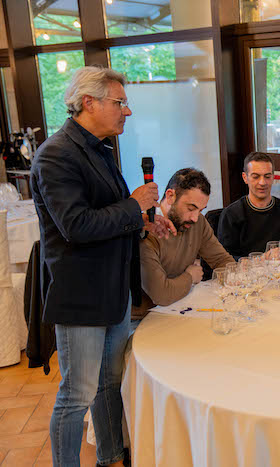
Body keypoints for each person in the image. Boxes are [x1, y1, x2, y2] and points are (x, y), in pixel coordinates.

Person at [30, 66, 175, 466]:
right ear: (88, 103)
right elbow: (76, 226)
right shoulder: (56, 155)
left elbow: (105, 213)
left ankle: (110, 457)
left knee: (109, 384)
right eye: (120, 102)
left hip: (113, 289)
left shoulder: (100, 149)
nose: (127, 111)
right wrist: (133, 205)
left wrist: (143, 221)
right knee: (76, 395)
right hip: (81, 295)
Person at [138, 168, 234, 313]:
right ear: (170, 196)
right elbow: (161, 295)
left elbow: (222, 260)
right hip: (146, 316)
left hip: (182, 304)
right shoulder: (146, 232)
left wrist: (238, 278)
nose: (195, 217)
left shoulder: (197, 222)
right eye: (191, 208)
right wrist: (190, 277)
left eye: (200, 210)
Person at [218, 152, 280, 259]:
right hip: (249, 270)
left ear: (273, 177)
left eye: (267, 176)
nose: (262, 182)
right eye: (256, 177)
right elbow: (225, 260)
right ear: (245, 178)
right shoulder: (231, 215)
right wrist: (261, 259)